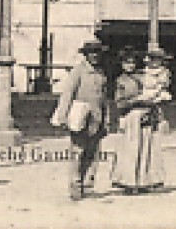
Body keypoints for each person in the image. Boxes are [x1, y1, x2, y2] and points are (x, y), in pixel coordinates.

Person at [49, 40, 114, 201]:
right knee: (78, 152)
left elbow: (104, 99)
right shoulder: (77, 71)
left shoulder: (101, 74)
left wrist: (106, 120)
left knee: (93, 153)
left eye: (97, 52)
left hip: (96, 119)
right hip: (79, 118)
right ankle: (76, 186)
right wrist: (62, 115)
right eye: (91, 52)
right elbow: (67, 94)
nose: (94, 56)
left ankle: (88, 184)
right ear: (85, 55)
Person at [112, 48, 167, 193]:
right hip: (131, 117)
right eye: (126, 63)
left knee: (146, 150)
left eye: (132, 63)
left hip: (147, 116)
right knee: (131, 150)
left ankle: (144, 181)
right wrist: (136, 101)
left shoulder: (144, 76)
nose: (129, 66)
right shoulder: (121, 81)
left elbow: (157, 90)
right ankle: (128, 182)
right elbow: (119, 103)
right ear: (122, 64)